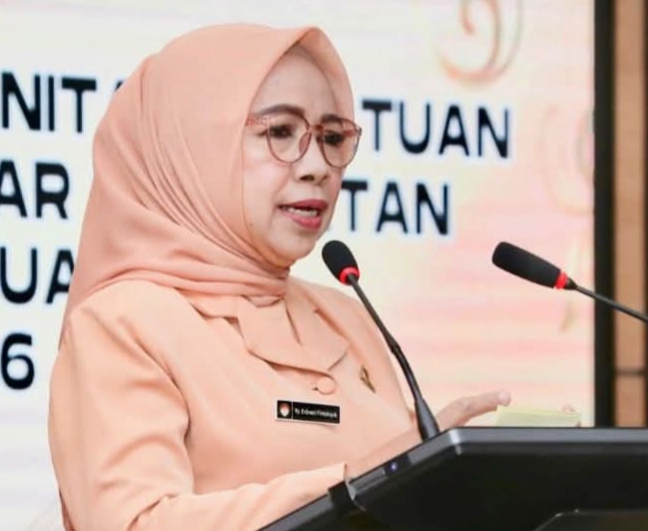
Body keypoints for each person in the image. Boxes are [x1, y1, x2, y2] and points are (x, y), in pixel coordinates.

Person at [47, 23, 510, 531]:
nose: (317, 166)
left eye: (331, 138)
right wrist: (354, 483)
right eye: (280, 132)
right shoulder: (124, 323)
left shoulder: (345, 316)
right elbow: (136, 523)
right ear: (194, 147)